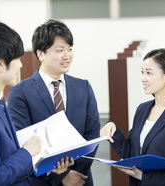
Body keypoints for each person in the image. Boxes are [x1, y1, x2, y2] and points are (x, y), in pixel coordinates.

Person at [0, 21, 73, 186]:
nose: (20, 65)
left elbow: (8, 157)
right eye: (17, 59)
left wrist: (43, 164)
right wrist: (28, 153)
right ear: (0, 65)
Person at [7, 19, 100, 186]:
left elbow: (92, 134)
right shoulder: (20, 92)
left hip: (81, 179)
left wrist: (76, 173)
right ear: (40, 53)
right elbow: (22, 141)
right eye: (60, 50)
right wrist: (62, 176)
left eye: (70, 49)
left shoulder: (83, 87)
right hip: (43, 181)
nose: (67, 55)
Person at [100, 48, 165, 186]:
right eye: (142, 72)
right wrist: (113, 130)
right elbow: (131, 153)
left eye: (149, 73)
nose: (143, 78)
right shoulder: (142, 109)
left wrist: (144, 177)